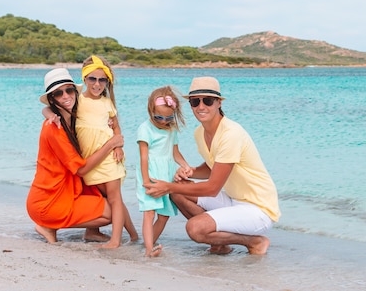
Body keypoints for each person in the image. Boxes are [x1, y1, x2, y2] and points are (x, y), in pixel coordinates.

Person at [143, 77, 281, 255]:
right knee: (178, 191)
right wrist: (190, 172)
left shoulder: (231, 134)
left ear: (218, 103)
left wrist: (167, 186)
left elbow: (213, 188)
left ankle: (254, 241)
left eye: (207, 101)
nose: (201, 107)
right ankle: (220, 242)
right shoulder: (200, 132)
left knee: (195, 228)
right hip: (233, 201)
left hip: (257, 209)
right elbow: (212, 167)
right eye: (195, 101)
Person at [43, 55, 138, 248]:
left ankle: (117, 239)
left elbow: (116, 128)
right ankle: (99, 233)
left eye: (102, 80)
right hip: (90, 159)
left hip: (110, 158)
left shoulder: (107, 103)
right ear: (84, 79)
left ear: (107, 82)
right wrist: (49, 114)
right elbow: (48, 107)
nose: (97, 84)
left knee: (114, 197)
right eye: (92, 79)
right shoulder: (76, 99)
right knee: (102, 197)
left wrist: (118, 146)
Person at [26, 68, 123, 243]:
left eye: (69, 90)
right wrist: (111, 144)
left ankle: (91, 232)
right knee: (110, 212)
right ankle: (47, 225)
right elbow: (81, 169)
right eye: (58, 93)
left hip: (67, 193)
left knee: (102, 188)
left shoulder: (72, 117)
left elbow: (48, 109)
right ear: (52, 98)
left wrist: (106, 124)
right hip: (48, 202)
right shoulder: (54, 128)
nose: (65, 96)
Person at [135, 86, 192, 257]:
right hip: (150, 174)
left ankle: (149, 242)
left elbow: (175, 153)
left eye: (168, 118)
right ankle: (148, 249)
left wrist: (185, 165)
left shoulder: (171, 129)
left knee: (164, 216)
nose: (163, 121)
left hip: (166, 174)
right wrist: (146, 181)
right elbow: (143, 157)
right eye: (158, 117)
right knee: (149, 212)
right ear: (150, 110)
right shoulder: (144, 129)